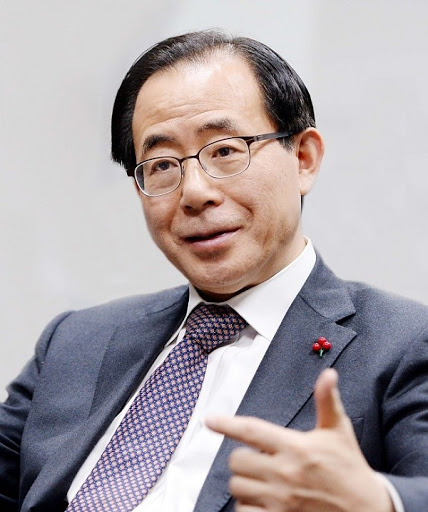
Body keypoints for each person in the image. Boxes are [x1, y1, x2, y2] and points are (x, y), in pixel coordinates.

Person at [0, 29, 427, 512]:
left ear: (304, 158)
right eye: (161, 165)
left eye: (224, 151)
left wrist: (379, 501)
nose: (194, 193)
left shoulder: (404, 344)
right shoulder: (76, 342)